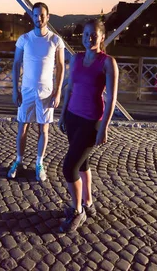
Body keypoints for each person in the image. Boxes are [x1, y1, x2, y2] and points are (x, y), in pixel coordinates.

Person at [58, 19, 118, 233]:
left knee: (69, 167)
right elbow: (69, 89)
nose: (89, 38)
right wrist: (63, 115)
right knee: (83, 164)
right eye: (85, 34)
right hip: (73, 117)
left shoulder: (108, 62)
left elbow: (111, 99)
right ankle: (88, 203)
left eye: (93, 34)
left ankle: (77, 211)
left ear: (102, 37)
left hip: (92, 121)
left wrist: (104, 128)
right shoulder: (76, 59)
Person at [9, 2, 65, 182]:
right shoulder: (24, 39)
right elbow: (16, 64)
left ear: (47, 17)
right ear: (31, 17)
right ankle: (19, 161)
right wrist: (15, 90)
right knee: (22, 127)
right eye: (35, 15)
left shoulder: (55, 40)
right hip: (26, 91)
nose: (38, 18)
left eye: (42, 15)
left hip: (46, 92)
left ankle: (39, 163)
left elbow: (61, 68)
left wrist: (58, 92)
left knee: (44, 129)